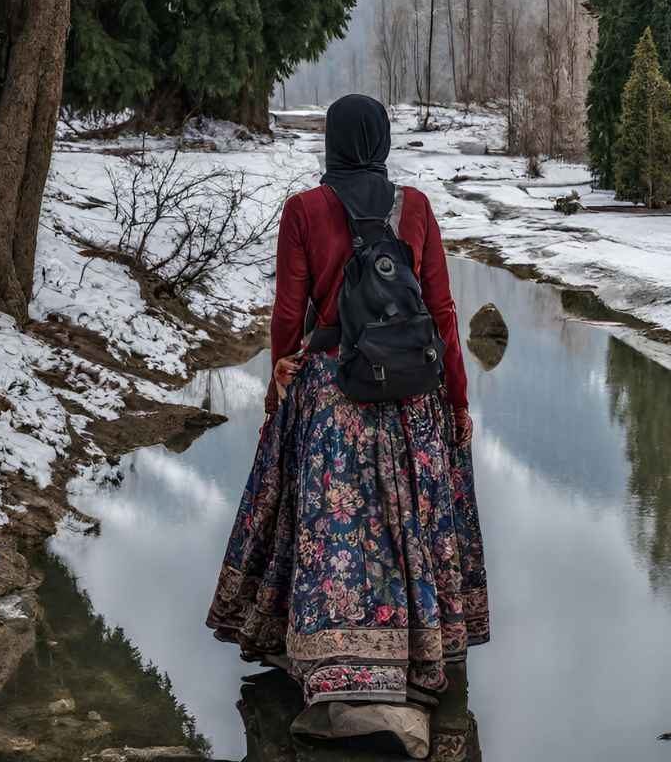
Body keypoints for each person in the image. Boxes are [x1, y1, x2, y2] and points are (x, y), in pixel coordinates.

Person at [206, 94, 489, 756]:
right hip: (411, 400)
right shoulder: (414, 208)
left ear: (332, 142)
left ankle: (330, 660)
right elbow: (444, 313)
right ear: (383, 140)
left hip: (334, 394)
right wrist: (456, 402)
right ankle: (420, 657)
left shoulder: (305, 210)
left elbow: (288, 313)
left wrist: (280, 389)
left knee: (335, 533)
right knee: (405, 527)